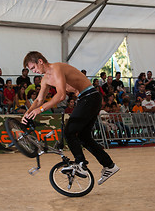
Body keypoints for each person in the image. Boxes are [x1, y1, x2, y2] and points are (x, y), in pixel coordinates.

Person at [22, 51, 119, 184]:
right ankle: (109, 165)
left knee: (69, 132)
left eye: (33, 68)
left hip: (89, 96)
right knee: (84, 137)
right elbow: (39, 100)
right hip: (87, 98)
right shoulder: (45, 79)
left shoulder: (56, 68)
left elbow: (61, 95)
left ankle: (80, 164)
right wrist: (27, 114)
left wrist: (40, 110)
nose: (34, 71)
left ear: (40, 61)